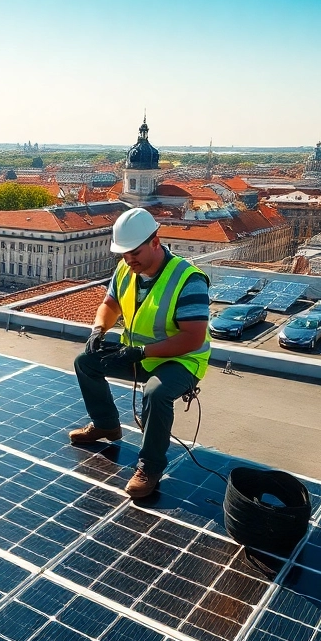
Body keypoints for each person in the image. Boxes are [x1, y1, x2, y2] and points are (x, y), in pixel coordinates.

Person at [70, 207, 211, 498]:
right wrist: (99, 329)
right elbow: (111, 304)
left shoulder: (188, 280)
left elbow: (193, 338)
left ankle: (150, 465)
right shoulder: (125, 270)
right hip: (140, 353)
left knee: (156, 393)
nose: (129, 260)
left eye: (134, 253)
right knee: (86, 363)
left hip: (182, 360)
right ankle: (106, 425)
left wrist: (141, 353)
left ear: (155, 243)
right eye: (123, 254)